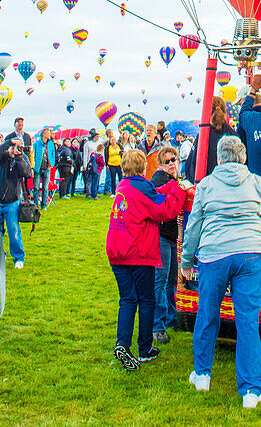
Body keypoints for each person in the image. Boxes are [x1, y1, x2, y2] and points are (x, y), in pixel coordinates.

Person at [181, 135, 261, 409]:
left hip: (213, 254)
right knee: (247, 322)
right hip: (250, 253)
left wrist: (186, 260)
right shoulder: (255, 181)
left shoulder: (205, 185)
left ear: (219, 158)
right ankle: (251, 390)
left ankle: (203, 374)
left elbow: (193, 226)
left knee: (207, 314)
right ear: (243, 158)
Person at [108, 148, 188, 371]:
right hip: (137, 251)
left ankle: (122, 343)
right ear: (144, 167)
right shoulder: (141, 186)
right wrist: (180, 190)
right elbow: (165, 209)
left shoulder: (124, 186)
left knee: (127, 299)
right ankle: (144, 349)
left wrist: (172, 185)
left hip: (117, 250)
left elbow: (153, 193)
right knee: (146, 299)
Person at [0, 135, 33, 269]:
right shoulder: (2, 157)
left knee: (13, 230)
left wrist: (18, 156)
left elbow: (27, 172)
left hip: (12, 201)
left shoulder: (22, 159)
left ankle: (18, 257)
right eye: (13, 147)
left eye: (17, 147)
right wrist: (9, 143)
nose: (15, 149)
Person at [151, 145, 182, 345]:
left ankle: (172, 318)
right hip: (161, 235)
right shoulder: (159, 180)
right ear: (161, 164)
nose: (171, 164)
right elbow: (166, 207)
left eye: (174, 160)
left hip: (170, 236)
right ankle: (157, 326)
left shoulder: (174, 180)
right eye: (167, 161)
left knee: (171, 280)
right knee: (161, 282)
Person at [185, 98, 235, 183]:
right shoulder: (234, 136)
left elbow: (191, 165)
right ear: (225, 113)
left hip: (209, 187)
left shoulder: (203, 136)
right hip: (232, 186)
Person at [33, 127, 56, 209]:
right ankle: (35, 205)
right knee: (36, 188)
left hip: (47, 169)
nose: (50, 134)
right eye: (48, 133)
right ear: (43, 134)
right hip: (38, 169)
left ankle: (44, 205)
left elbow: (53, 155)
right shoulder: (36, 144)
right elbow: (32, 156)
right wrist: (33, 167)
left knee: (45, 188)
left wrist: (51, 164)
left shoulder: (51, 144)